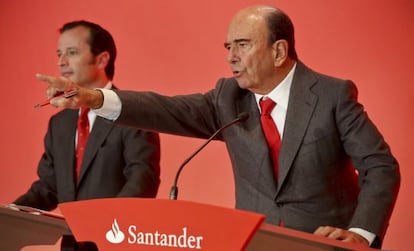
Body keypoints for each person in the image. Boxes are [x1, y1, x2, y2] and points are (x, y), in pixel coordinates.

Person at [37, 6, 400, 249]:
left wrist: (359, 234)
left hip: (321, 246)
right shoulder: (229, 97)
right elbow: (165, 109)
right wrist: (96, 99)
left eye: (242, 45)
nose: (230, 56)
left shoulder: (332, 95)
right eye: (228, 46)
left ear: (278, 51)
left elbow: (380, 167)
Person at [15, 21, 161, 250]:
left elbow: (142, 181)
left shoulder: (133, 113)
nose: (61, 62)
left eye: (71, 53)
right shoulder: (59, 123)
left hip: (116, 242)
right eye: (59, 54)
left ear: (102, 59)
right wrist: (11, 212)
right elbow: (48, 187)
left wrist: (103, 224)